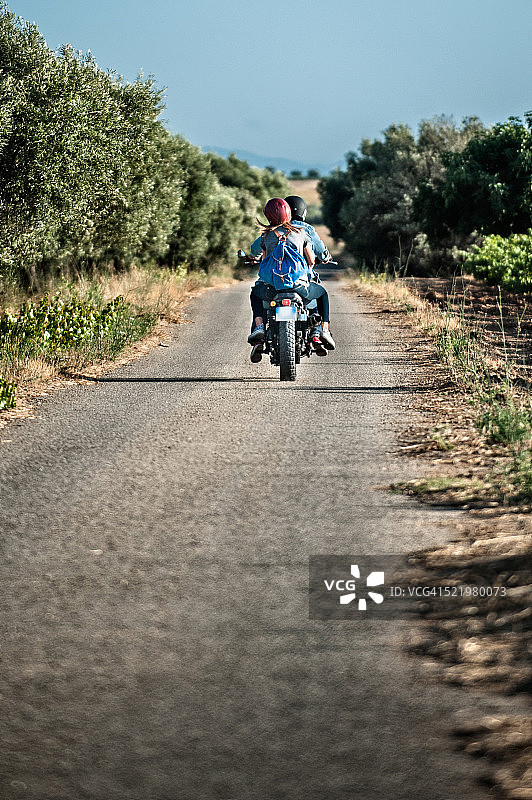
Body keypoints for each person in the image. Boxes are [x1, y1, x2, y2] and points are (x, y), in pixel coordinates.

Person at [248, 198, 335, 362]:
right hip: (298, 286)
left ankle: (259, 327)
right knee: (321, 293)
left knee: (255, 294)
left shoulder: (266, 235)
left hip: (273, 287)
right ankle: (323, 329)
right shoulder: (301, 231)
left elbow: (264, 261)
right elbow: (311, 260)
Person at [249, 194, 330, 264]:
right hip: (300, 273)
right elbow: (320, 251)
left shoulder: (272, 230)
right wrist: (326, 257)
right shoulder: (304, 230)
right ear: (303, 212)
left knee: (262, 280)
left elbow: (255, 249)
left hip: (273, 273)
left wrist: (253, 256)